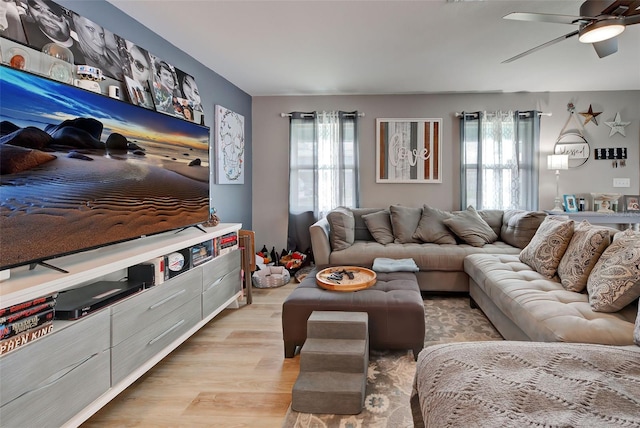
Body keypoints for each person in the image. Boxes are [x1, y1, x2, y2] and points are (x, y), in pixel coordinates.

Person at [70, 12, 122, 79]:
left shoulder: (110, 55)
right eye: (91, 29)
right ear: (76, 24)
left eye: (101, 35)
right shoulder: (76, 55)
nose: (100, 41)